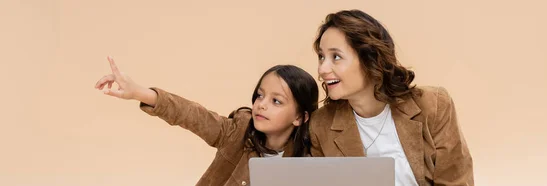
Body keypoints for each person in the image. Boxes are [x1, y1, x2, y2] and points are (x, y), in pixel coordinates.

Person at [308, 10, 474, 186]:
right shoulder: (321, 125)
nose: (322, 69)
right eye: (321, 57)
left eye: (336, 57)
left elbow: (456, 181)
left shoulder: (434, 105)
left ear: (370, 58)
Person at [94, 57, 319, 186]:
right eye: (260, 95)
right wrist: (139, 93)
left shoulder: (306, 160)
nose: (261, 104)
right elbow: (191, 114)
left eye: (276, 101)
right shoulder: (238, 131)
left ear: (300, 117)